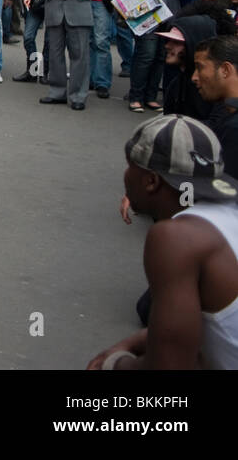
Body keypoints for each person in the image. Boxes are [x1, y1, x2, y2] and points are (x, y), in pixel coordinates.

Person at [87, 115, 238, 370]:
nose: (125, 176)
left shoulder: (176, 238)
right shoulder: (226, 215)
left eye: (129, 166)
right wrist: (136, 341)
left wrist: (114, 364)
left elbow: (170, 366)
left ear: (151, 181)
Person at [192, 35, 238, 168]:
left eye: (200, 68)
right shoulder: (228, 115)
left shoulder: (234, 128)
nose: (194, 77)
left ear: (225, 70)